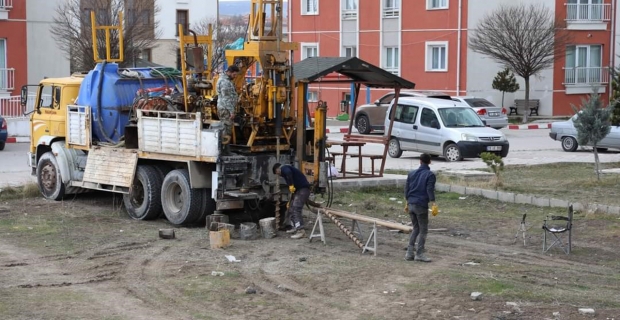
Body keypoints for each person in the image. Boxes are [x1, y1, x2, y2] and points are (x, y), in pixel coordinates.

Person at [404, 153, 436, 262]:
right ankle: (419, 253)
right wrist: (433, 203)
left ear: (420, 161)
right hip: (421, 205)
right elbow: (429, 190)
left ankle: (409, 253)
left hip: (411, 204)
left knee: (415, 228)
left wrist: (407, 201)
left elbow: (406, 189)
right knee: (423, 230)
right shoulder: (430, 175)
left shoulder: (411, 173)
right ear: (430, 162)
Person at [273, 163, 311, 239]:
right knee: (291, 208)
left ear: (277, 169)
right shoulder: (286, 170)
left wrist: (291, 184)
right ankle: (295, 227)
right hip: (298, 191)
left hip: (303, 190)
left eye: (277, 173)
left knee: (296, 209)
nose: (279, 175)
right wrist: (290, 201)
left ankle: (301, 231)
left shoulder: (284, 168)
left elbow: (288, 173)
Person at [216, 65, 240, 153]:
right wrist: (231, 111)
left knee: (226, 128)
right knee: (226, 129)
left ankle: (225, 149)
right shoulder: (225, 82)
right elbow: (226, 98)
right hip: (225, 109)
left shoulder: (227, 80)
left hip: (225, 108)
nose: (235, 76)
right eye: (234, 75)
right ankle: (224, 150)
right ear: (229, 72)